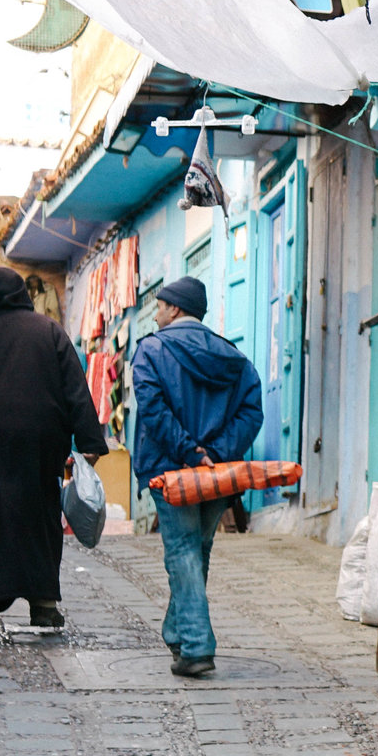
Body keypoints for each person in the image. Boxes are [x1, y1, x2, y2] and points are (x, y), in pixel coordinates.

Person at [0, 268, 109, 643]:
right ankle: (44, 605)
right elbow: (76, 389)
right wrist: (90, 442)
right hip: (39, 445)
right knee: (39, 519)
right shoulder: (49, 332)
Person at [130, 275, 262, 678]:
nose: (154, 314)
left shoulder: (151, 350)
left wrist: (189, 452)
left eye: (158, 306)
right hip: (217, 474)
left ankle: (196, 647)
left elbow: (153, 410)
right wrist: (215, 454)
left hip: (171, 472)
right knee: (197, 550)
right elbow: (251, 412)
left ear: (174, 309)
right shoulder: (233, 356)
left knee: (183, 551)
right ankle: (177, 632)